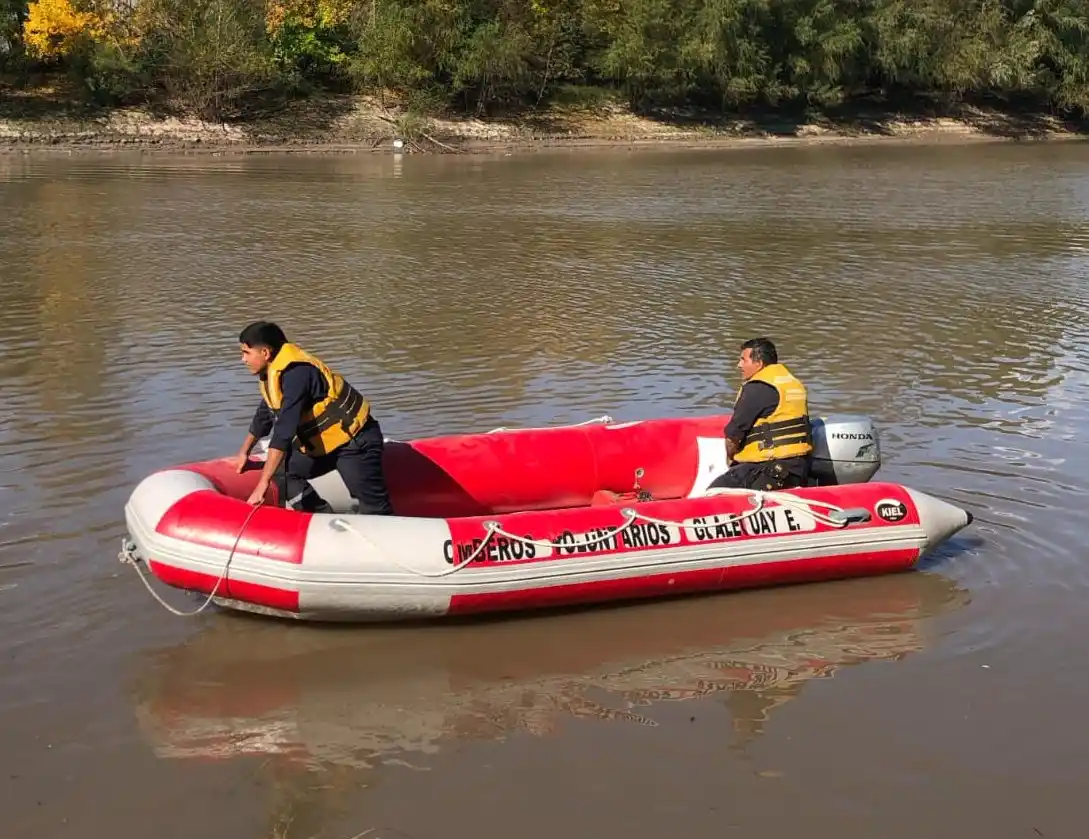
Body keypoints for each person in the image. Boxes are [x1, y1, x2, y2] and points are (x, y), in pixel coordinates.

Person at [233, 321, 395, 515]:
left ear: (265, 353)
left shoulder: (297, 374)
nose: (243, 359)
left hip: (354, 444)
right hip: (322, 446)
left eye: (246, 353)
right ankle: (322, 517)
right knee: (281, 471)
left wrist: (262, 484)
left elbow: (284, 432)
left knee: (374, 507)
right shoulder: (274, 373)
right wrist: (244, 451)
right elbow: (265, 415)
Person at [708, 337, 813, 492]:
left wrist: (731, 459)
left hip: (769, 470)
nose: (739, 365)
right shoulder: (793, 383)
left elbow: (733, 436)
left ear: (759, 364)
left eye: (743, 360)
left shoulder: (757, 388)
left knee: (714, 492)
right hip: (798, 467)